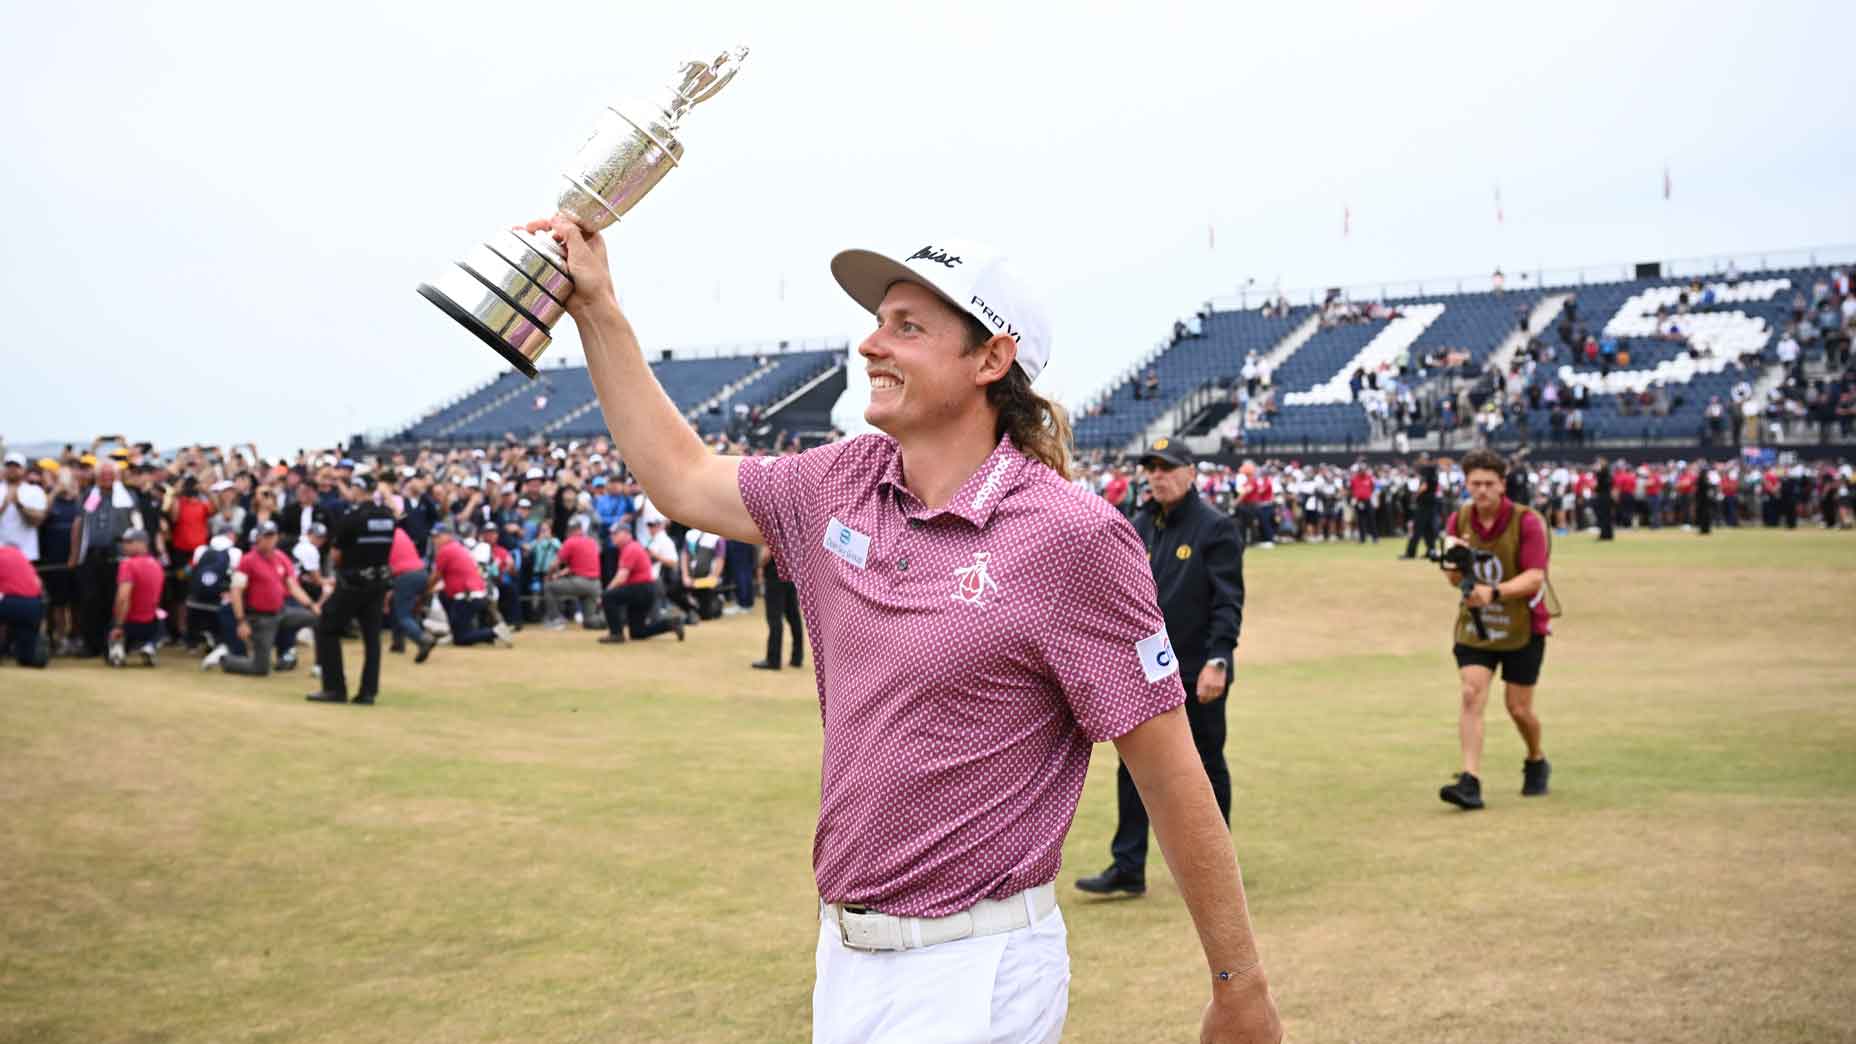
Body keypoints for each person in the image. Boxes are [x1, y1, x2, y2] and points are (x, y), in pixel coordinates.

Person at [527, 213, 1279, 1043]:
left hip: (980, 965)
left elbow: (1171, 774)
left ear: (992, 358)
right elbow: (683, 477)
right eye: (879, 321)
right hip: (845, 955)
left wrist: (1238, 988)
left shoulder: (1073, 537)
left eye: (907, 326)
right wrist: (598, 307)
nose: (870, 345)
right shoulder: (839, 480)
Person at [1076, 437, 1244, 899]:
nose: (1158, 476)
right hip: (1144, 674)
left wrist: (1219, 659)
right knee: (1134, 769)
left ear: (1191, 472)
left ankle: (1217, 865)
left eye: (1167, 468)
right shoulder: (1139, 525)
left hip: (1197, 668)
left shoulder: (1215, 528)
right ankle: (1128, 865)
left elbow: (1228, 603)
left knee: (1207, 763)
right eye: (1151, 468)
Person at [1437, 449, 1552, 812]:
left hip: (1523, 626)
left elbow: (1536, 577)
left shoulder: (1527, 521)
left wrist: (1495, 592)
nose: (1482, 490)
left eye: (1489, 483)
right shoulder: (1460, 520)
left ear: (1503, 484)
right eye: (1475, 484)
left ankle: (1536, 758)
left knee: (1518, 708)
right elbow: (1454, 578)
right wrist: (1454, 565)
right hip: (1477, 626)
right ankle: (1470, 781)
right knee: (1472, 693)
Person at [308, 476, 396, 705]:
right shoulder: (388, 517)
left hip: (353, 583)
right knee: (372, 638)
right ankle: (368, 693)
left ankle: (335, 689)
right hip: (378, 583)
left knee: (327, 627)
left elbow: (336, 554)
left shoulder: (352, 518)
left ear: (357, 490)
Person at [203, 521, 320, 677]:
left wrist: (311, 605)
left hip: (282, 611)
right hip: (261, 617)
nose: (270, 540)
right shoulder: (248, 561)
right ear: (258, 538)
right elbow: (236, 591)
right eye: (266, 536)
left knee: (320, 619)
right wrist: (241, 621)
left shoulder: (281, 558)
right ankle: (225, 659)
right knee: (260, 669)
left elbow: (293, 587)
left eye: (272, 536)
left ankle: (321, 664)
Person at [423, 523, 511, 648]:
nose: (434, 540)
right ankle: (457, 631)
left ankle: (494, 632)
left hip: (467, 597)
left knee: (461, 639)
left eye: (438, 536)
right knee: (443, 594)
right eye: (433, 537)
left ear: (448, 536)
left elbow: (436, 577)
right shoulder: (458, 547)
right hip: (475, 594)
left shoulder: (446, 550)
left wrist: (424, 591)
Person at [596, 526, 683, 643]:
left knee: (608, 597)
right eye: (612, 534)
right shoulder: (632, 547)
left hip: (641, 588)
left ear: (627, 534)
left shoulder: (630, 548)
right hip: (645, 590)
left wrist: (606, 592)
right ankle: (670, 624)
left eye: (616, 533)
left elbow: (621, 578)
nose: (612, 537)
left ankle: (616, 634)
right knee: (638, 632)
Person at [108, 529, 164, 667]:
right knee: (161, 616)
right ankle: (149, 646)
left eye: (129, 542)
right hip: (152, 625)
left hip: (130, 624)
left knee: (111, 627)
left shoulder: (127, 564)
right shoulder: (157, 564)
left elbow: (123, 597)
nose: (124, 546)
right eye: (124, 542)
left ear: (142, 543)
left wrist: (118, 625)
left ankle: (117, 650)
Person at [386, 522, 437, 662]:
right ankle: (398, 644)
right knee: (398, 607)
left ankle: (422, 639)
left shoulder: (385, 535)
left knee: (403, 615)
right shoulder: (401, 532)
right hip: (421, 573)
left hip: (404, 576)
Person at [543, 515, 603, 628]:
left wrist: (549, 576)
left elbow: (554, 564)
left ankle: (555, 620)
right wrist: (560, 574)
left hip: (580, 582)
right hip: (595, 585)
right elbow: (579, 566)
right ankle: (607, 621)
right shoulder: (591, 542)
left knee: (549, 587)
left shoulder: (570, 542)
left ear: (571, 529)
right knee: (589, 622)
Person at [751, 543, 802, 670]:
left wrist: (759, 565)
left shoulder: (774, 527)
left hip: (775, 574)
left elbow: (766, 553)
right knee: (793, 616)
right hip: (790, 572)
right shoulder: (791, 530)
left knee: (774, 618)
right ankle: (797, 657)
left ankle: (773, 659)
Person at [0, 539, 49, 667]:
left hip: (12, 603)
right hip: (35, 606)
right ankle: (30, 656)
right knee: (27, 655)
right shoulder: (20, 556)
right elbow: (38, 583)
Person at [1401, 453, 1440, 560]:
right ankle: (1431, 551)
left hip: (1424, 503)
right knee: (1429, 528)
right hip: (1431, 502)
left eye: (1422, 459)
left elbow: (1424, 485)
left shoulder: (1426, 469)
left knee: (1417, 528)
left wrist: (1415, 495)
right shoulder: (1434, 470)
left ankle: (1410, 553)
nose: (1420, 461)